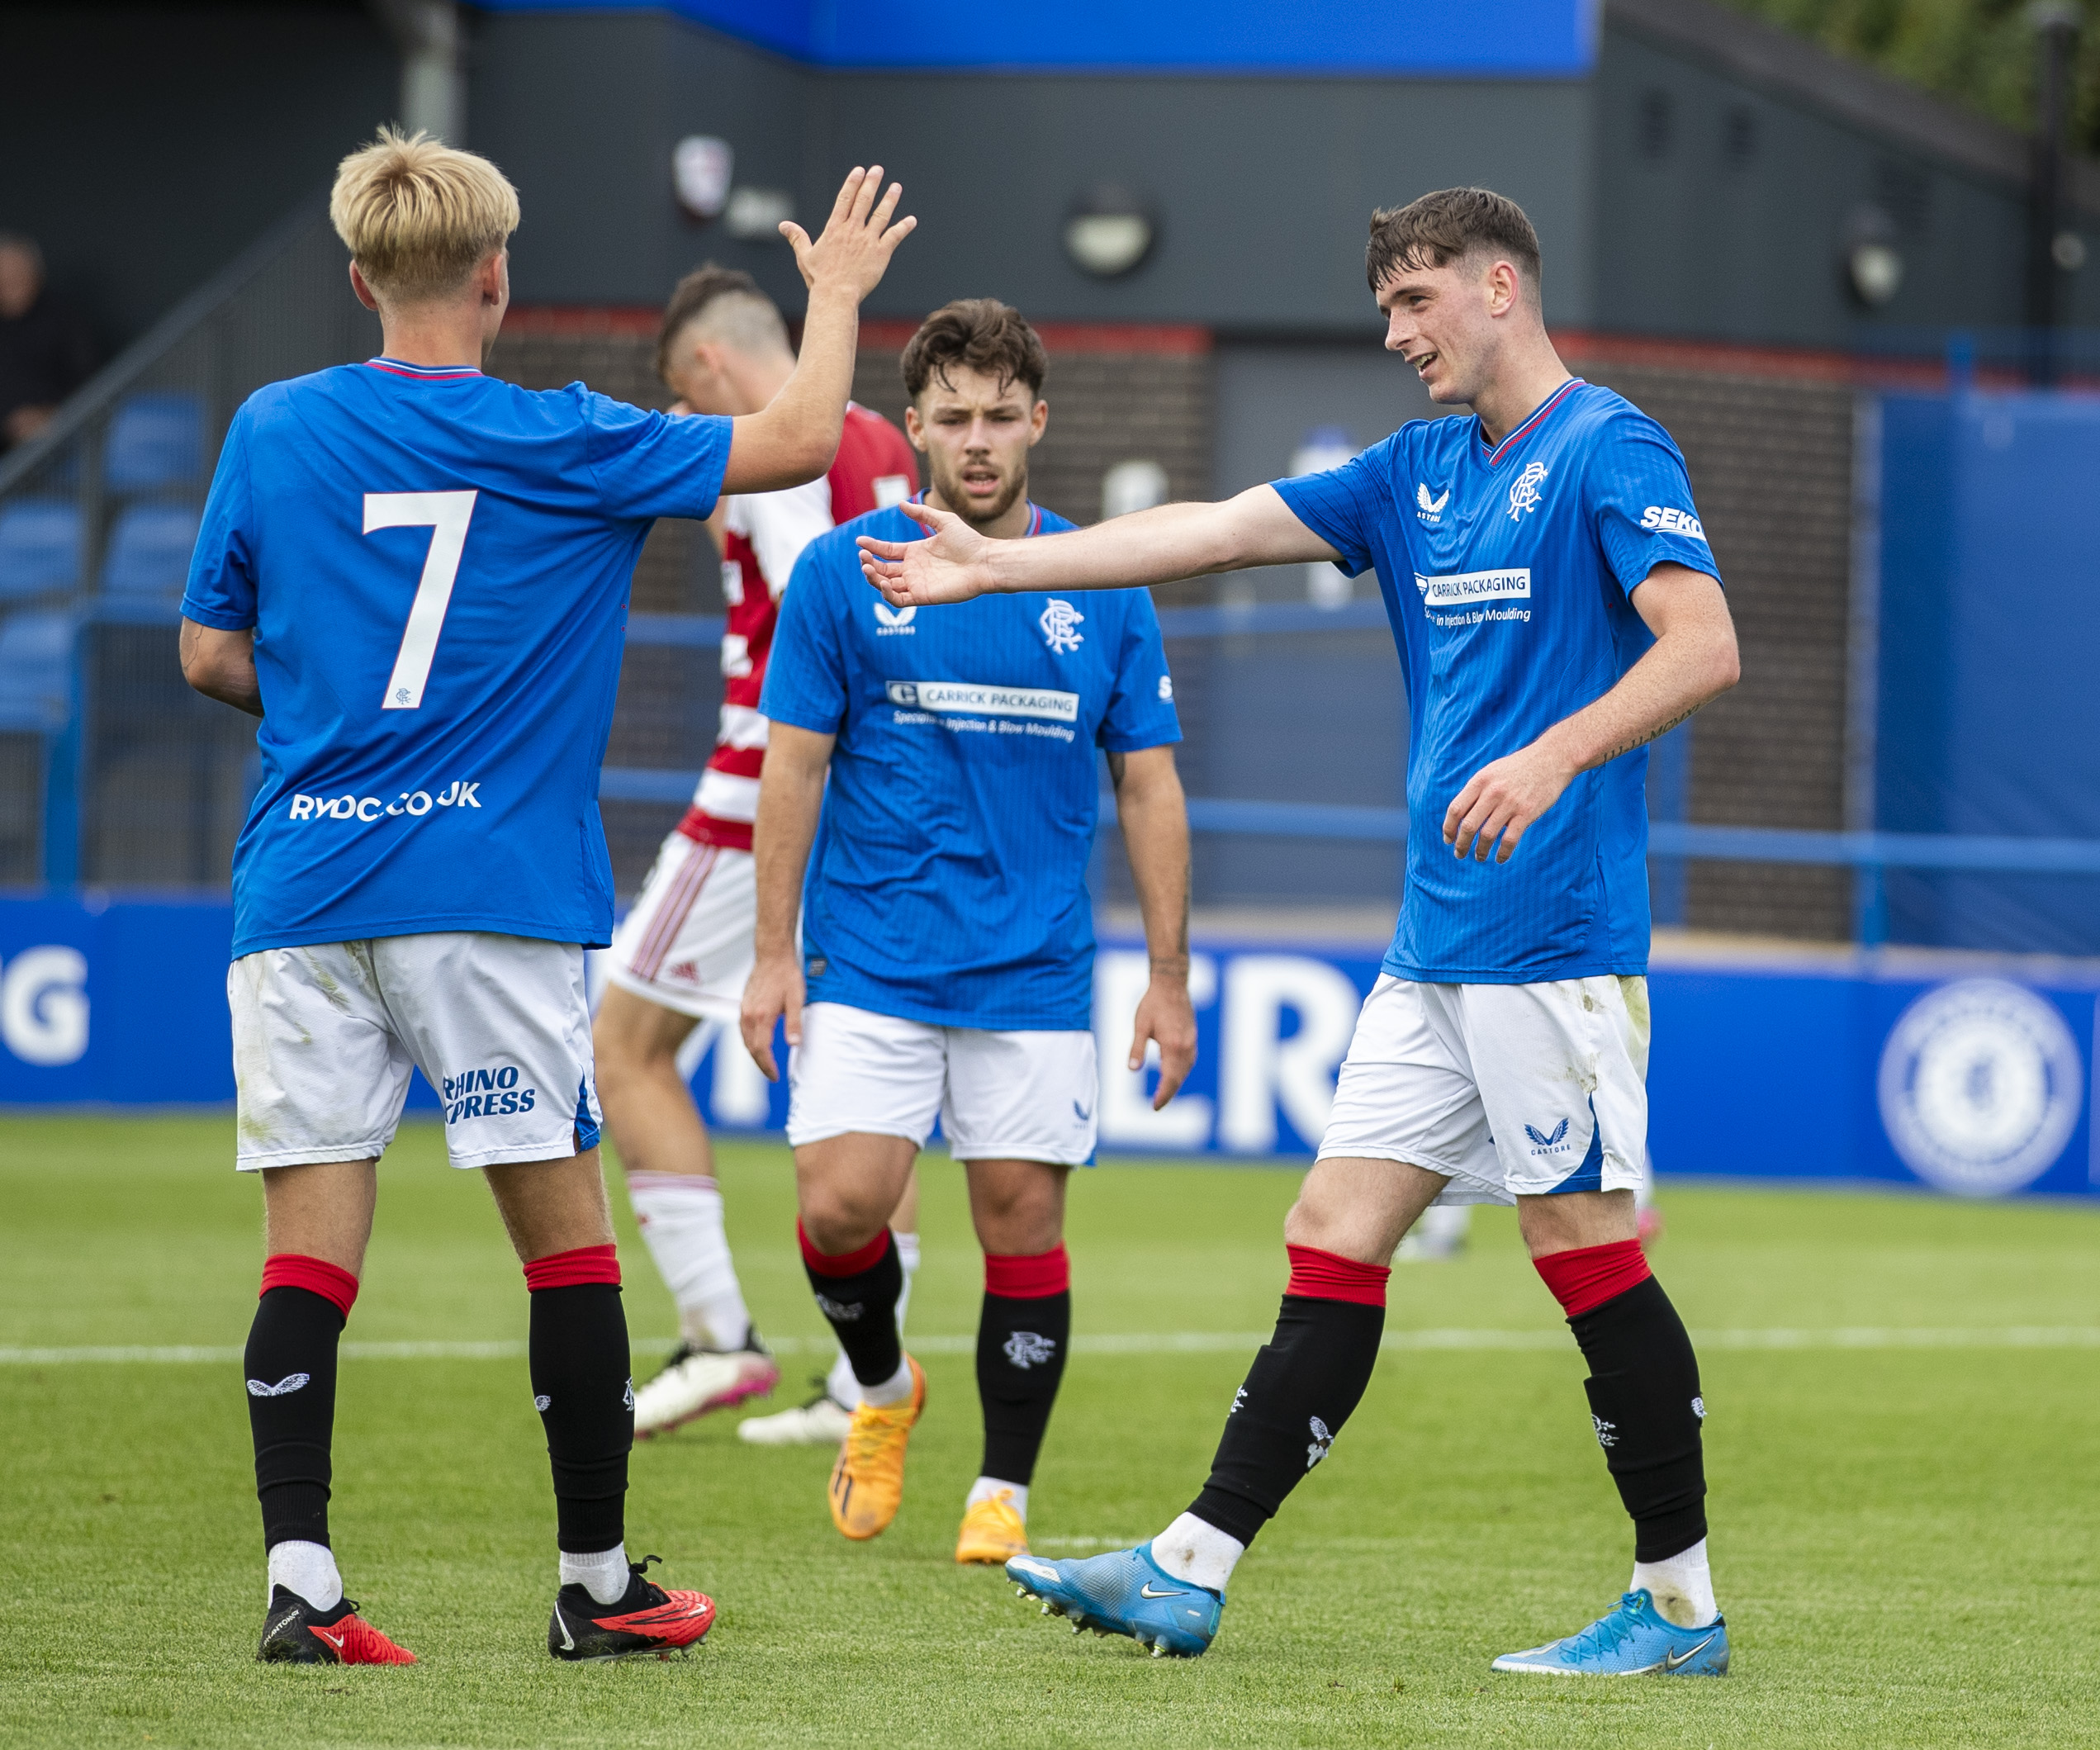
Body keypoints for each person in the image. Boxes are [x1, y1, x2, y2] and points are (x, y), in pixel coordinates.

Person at [859, 188, 1742, 1675]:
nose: (1394, 333)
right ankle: (1188, 1566)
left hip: (1553, 936)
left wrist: (1551, 754)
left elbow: (1702, 639)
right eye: (1384, 306)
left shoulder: (1607, 445)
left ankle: (1675, 1603)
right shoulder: (1411, 474)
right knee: (1331, 1231)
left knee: (1578, 1239)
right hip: (1435, 943)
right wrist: (991, 562)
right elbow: (1209, 530)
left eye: (1416, 302)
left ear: (1500, 286)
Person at [178, 128, 911, 1666]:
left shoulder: (272, 424)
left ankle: (301, 1582)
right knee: (565, 1247)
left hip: (303, 883)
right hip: (486, 887)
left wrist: (337, 736)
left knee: (307, 1252)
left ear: (359, 274)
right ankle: (596, 1581)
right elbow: (787, 438)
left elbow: (206, 652)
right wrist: (836, 290)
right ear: (497, 278)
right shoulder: (561, 433)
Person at [741, 298, 1195, 1566]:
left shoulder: (1099, 582)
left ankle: (1002, 1487)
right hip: (871, 952)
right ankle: (882, 1388)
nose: (979, 440)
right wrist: (772, 953)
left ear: (1038, 420)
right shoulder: (844, 570)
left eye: (1001, 415)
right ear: (913, 429)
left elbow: (1148, 782)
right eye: (954, 417)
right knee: (841, 1204)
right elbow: (794, 767)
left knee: (1017, 1219)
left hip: (1033, 965)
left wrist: (1166, 980)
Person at [595, 264, 922, 1446]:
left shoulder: (768, 447)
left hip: (762, 788)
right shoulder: (883, 434)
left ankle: (717, 1335)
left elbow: (813, 600)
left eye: (688, 391)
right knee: (874, 1075)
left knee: (623, 1048)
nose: (689, 417)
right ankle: (863, 1378)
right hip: (881, 790)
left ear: (712, 368)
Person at [0, 234, 96, 450]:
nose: (10, 284)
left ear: (35, 274)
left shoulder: (64, 318)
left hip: (54, 442)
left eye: (18, 275)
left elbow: (88, 382)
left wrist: (50, 416)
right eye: (4, 278)